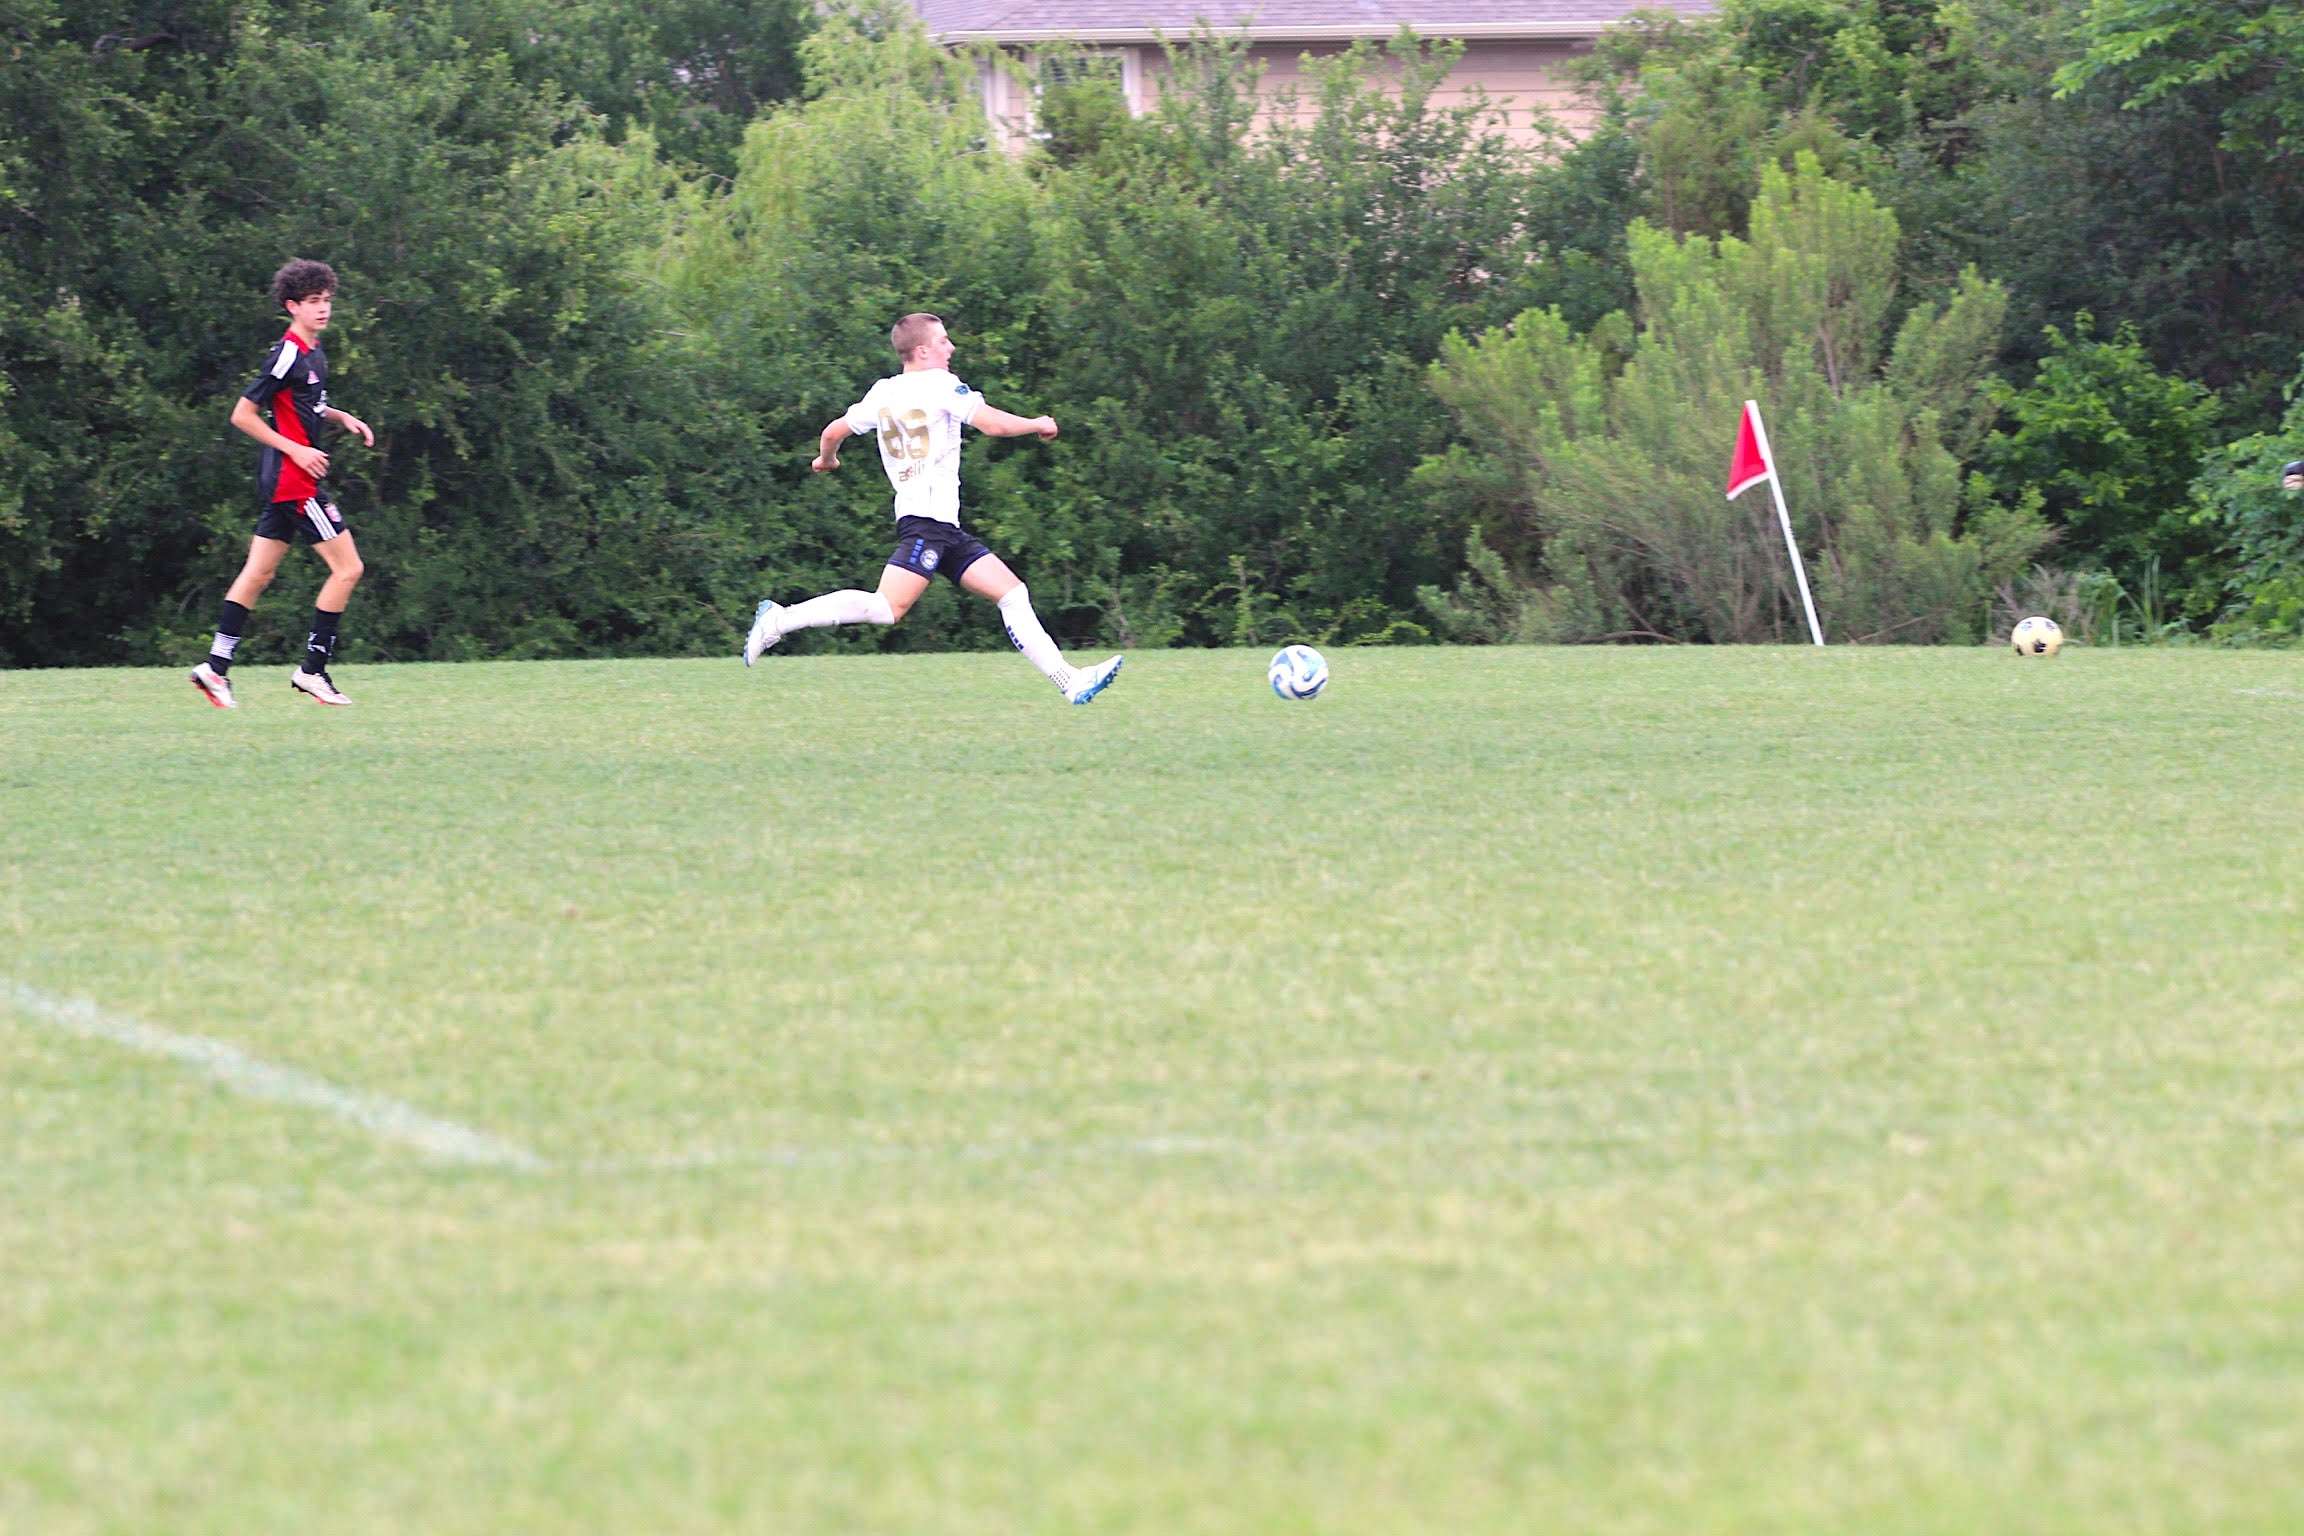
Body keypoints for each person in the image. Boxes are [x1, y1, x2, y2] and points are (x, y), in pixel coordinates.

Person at [743, 312, 1123, 705]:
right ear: (922, 350)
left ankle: (1069, 681)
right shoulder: (942, 385)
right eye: (943, 341)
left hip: (939, 526)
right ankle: (779, 620)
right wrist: (1037, 422)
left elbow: (832, 431)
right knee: (887, 607)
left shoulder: (883, 392)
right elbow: (991, 424)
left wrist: (827, 460)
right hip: (927, 523)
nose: (951, 347)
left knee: (1012, 594)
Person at [188, 258, 373, 709]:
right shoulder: (288, 352)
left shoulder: (314, 351)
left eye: (327, 300)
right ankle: (313, 671)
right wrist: (295, 449)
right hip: (296, 482)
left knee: (259, 573)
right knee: (348, 569)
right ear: (293, 306)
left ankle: (215, 668)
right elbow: (242, 414)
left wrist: (340, 416)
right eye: (313, 302)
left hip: (285, 481)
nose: (323, 309)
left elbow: (307, 405)